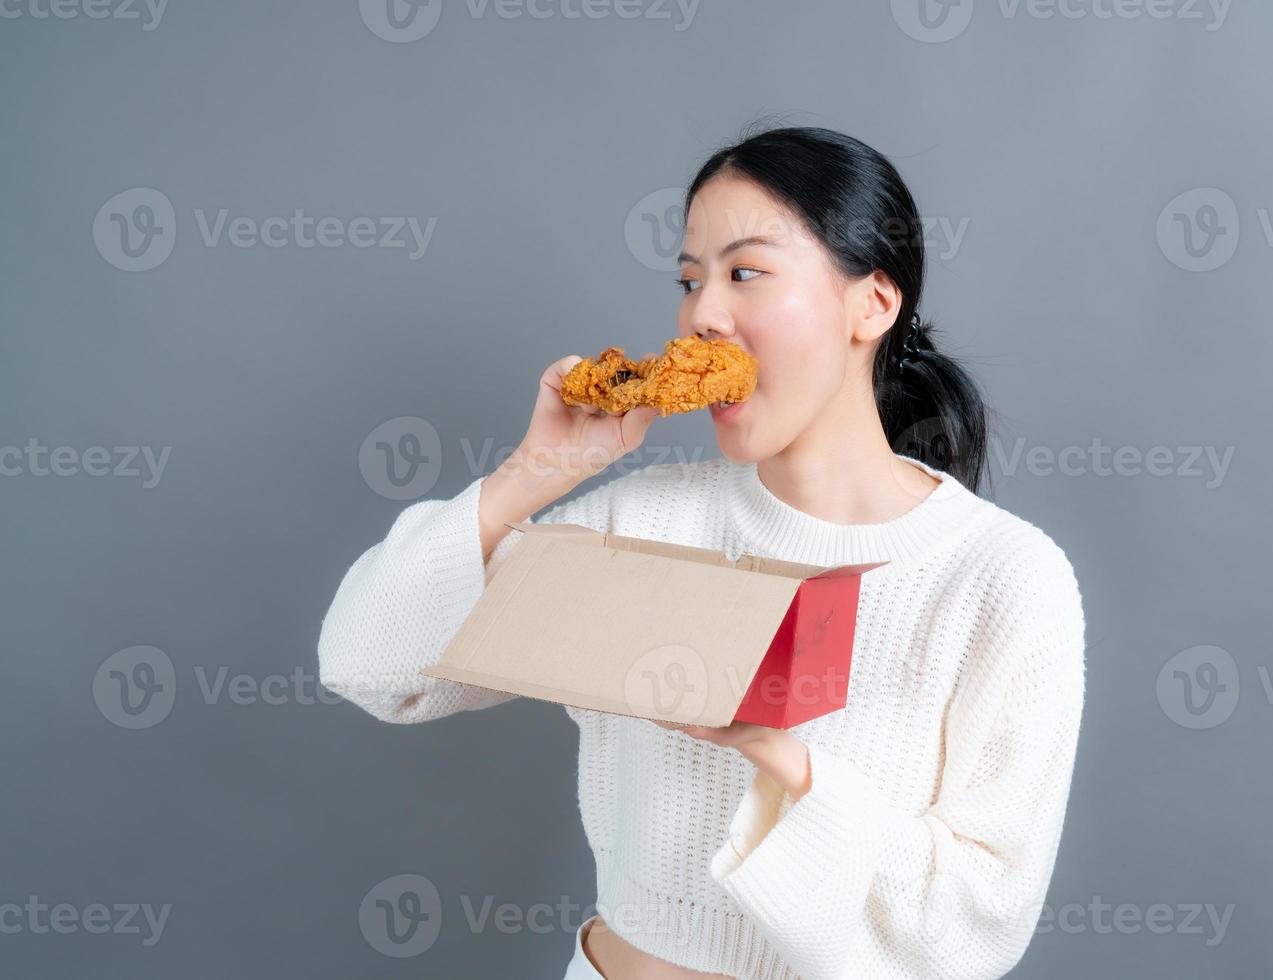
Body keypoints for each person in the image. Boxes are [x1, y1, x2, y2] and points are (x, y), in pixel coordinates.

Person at [318, 125, 1087, 980]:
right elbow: (373, 668)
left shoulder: (1001, 579)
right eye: (690, 280)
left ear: (871, 303)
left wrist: (783, 757)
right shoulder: (642, 526)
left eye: (745, 273)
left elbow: (977, 924)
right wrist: (530, 476)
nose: (702, 316)